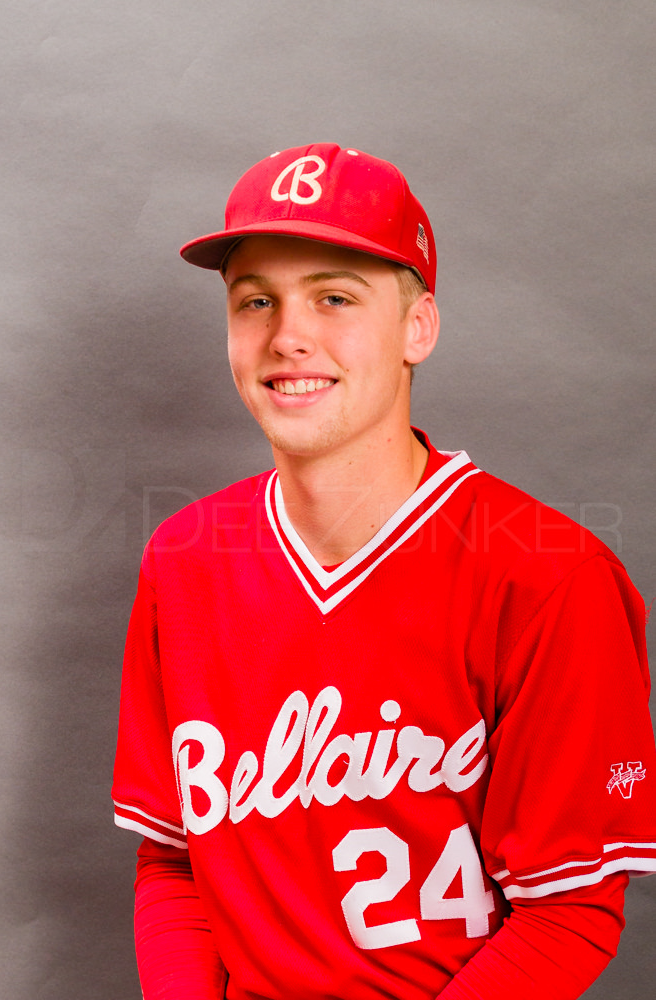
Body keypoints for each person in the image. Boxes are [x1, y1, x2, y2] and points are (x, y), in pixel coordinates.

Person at [112, 143, 656, 1000]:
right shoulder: (183, 557)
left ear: (418, 328)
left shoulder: (551, 576)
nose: (288, 336)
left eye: (334, 297)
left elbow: (567, 913)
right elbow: (175, 862)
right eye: (256, 300)